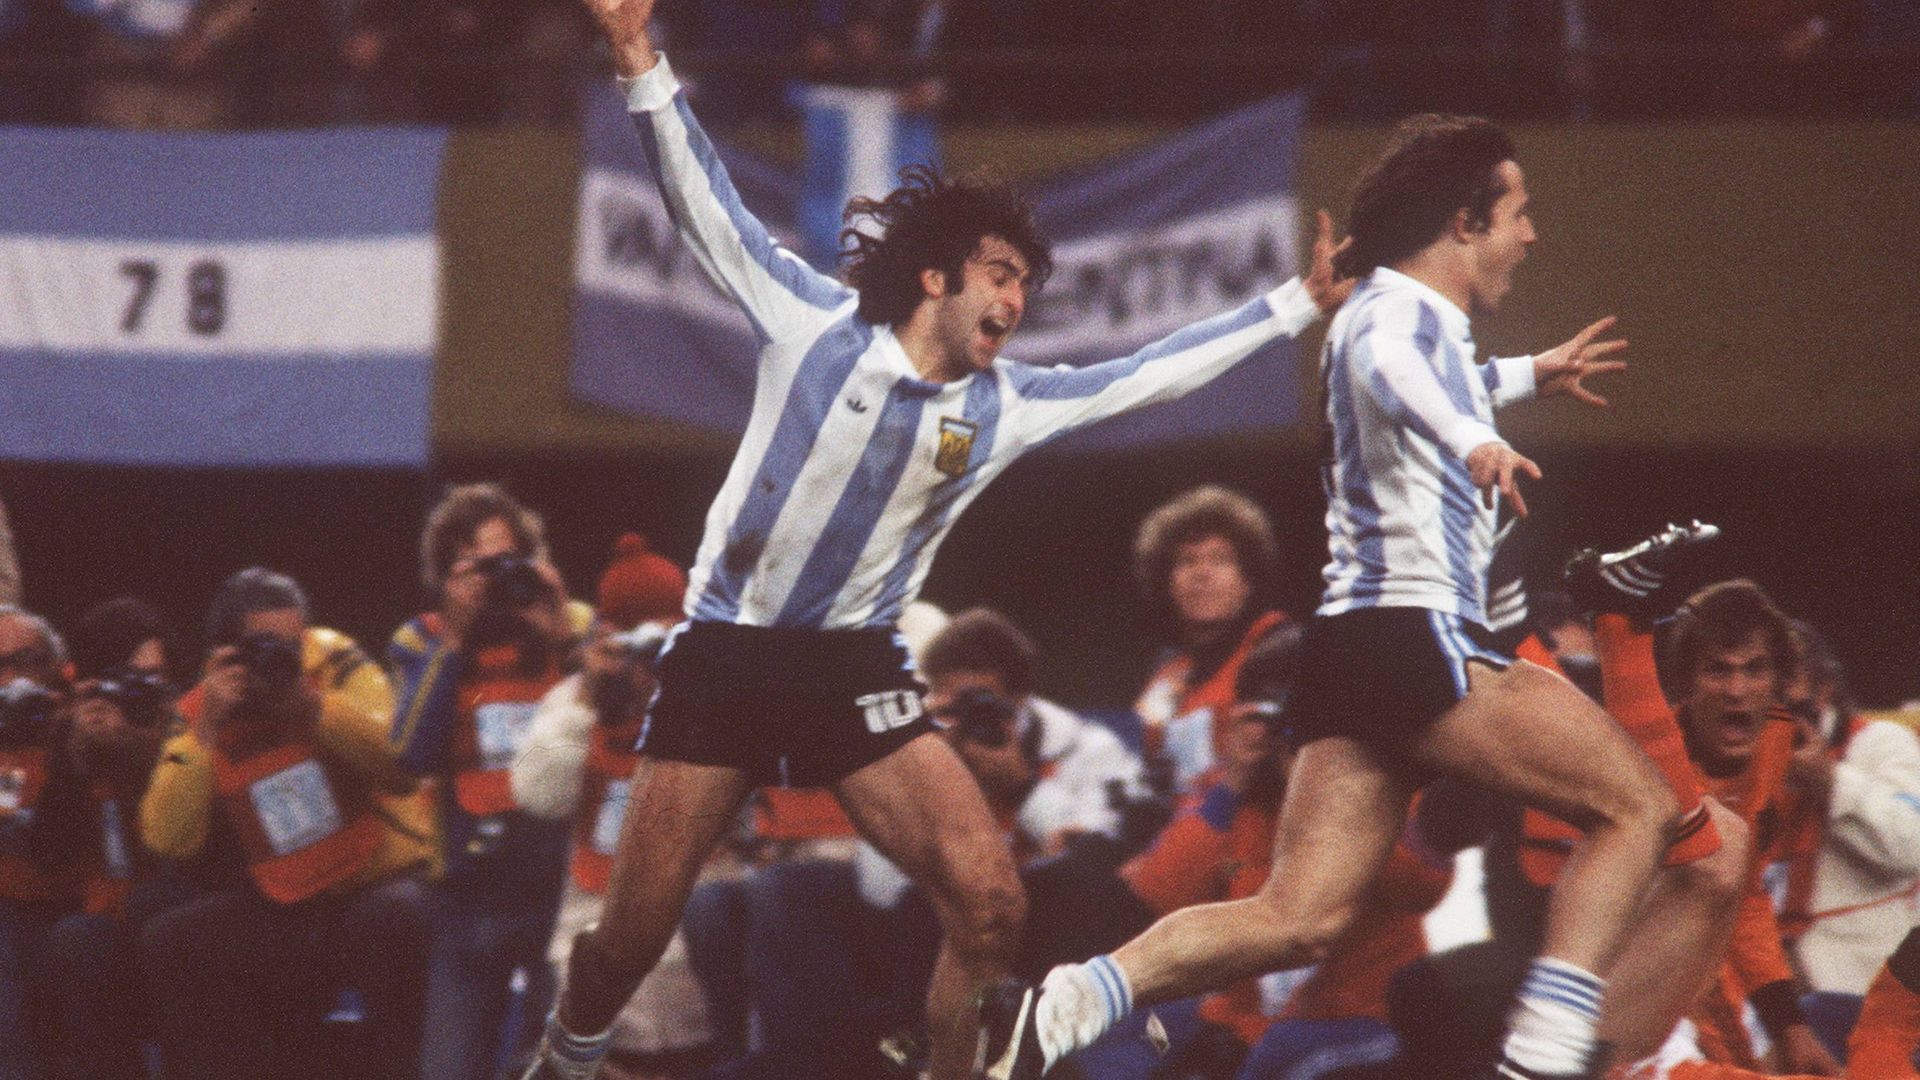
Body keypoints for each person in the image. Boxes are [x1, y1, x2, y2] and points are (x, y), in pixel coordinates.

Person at [527, 3, 1355, 1077]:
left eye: (1026, 284)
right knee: (630, 941)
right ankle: (562, 1057)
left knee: (991, 900)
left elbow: (1148, 371)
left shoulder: (1006, 404)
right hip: (726, 654)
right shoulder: (809, 323)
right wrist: (641, 62)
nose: (1017, 296)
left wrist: (1293, 305)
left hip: (851, 666)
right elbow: (706, 206)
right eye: (1001, 273)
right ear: (936, 277)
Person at [983, 113, 1671, 1080]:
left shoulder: (1403, 320)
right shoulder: (1395, 316)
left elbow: (1437, 376)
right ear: (1466, 223)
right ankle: (1545, 1061)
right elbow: (1404, 376)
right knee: (1638, 807)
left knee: (1295, 919)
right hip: (1417, 640)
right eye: (1520, 212)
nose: (1532, 233)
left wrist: (1524, 378)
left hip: (1351, 654)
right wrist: (1474, 440)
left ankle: (1073, 997)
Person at [139, 567, 436, 1080]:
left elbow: (399, 768)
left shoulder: (338, 666)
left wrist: (312, 706)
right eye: (265, 647)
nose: (283, 657)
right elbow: (167, 838)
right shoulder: (200, 710)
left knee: (392, 919)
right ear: (224, 655)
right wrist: (205, 734)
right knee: (173, 942)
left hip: (379, 879)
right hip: (294, 903)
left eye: (292, 642)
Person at [390, 483, 592, 1080]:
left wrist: (559, 634)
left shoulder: (571, 624)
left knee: (548, 1064)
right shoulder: (422, 640)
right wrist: (455, 642)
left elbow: (623, 728)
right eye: (473, 569)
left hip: (557, 880)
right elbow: (408, 755)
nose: (494, 583)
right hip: (469, 891)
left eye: (506, 565)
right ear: (442, 578)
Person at [1775, 620, 1920, 1057]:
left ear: (1823, 687)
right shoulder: (1750, 755)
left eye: (1789, 677)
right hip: (1776, 992)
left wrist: (1831, 782)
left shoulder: (1880, 743)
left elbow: (1914, 844)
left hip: (1865, 989)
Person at [1131, 485, 1291, 797]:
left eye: (1220, 560)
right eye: (1187, 561)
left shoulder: (1280, 648)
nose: (1202, 573)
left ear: (1247, 581)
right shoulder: (1166, 677)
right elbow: (1153, 777)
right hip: (1190, 830)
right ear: (1168, 584)